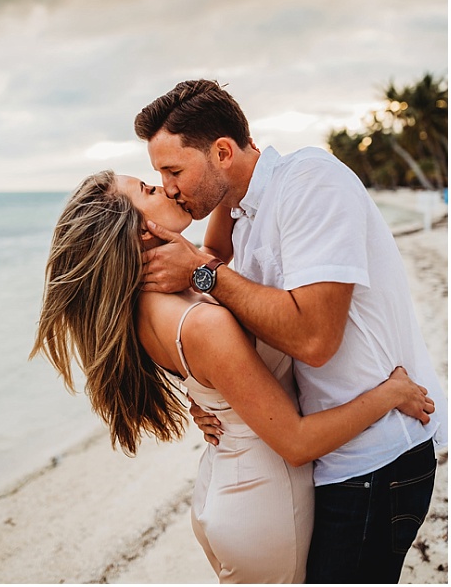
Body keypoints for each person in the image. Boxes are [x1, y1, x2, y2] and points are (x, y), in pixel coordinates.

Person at [32, 170, 435, 583]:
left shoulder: (150, 300)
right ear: (138, 233)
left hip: (229, 484)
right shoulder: (202, 322)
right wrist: (390, 393)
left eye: (167, 175)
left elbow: (220, 206)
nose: (166, 187)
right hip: (267, 503)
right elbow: (296, 443)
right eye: (150, 189)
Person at [134, 79, 448, 583]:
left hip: (376, 458)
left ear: (222, 151)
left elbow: (313, 341)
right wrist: (210, 397)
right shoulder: (240, 210)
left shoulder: (310, 183)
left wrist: (199, 271)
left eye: (174, 170)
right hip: (329, 459)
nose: (169, 186)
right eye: (158, 176)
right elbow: (214, 297)